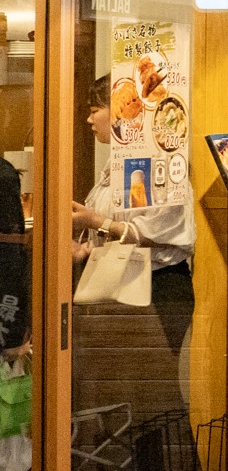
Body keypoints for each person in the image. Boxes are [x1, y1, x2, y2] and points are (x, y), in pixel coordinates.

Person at [72, 76, 194, 342]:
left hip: (157, 287)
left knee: (151, 367)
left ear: (121, 111)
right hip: (118, 281)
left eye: (95, 110)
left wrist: (96, 221)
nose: (89, 120)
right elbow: (118, 225)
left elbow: (156, 232)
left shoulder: (160, 160)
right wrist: (85, 247)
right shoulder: (117, 161)